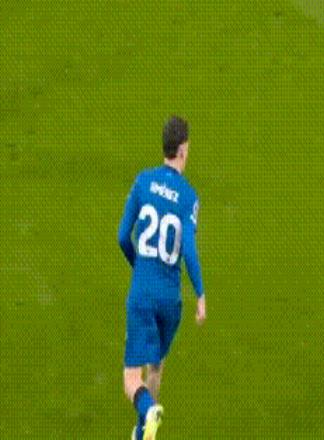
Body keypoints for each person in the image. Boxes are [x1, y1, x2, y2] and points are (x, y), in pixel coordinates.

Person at [118, 116, 206, 438]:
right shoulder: (189, 197)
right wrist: (200, 294)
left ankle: (148, 411)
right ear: (182, 149)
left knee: (131, 379)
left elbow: (122, 236)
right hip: (171, 299)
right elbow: (189, 251)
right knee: (156, 364)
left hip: (143, 294)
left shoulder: (143, 182)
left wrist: (140, 266)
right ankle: (145, 432)